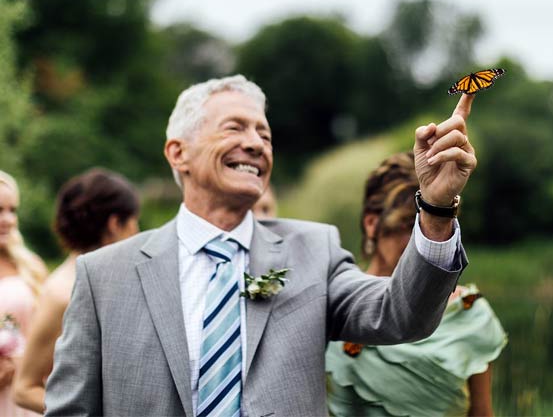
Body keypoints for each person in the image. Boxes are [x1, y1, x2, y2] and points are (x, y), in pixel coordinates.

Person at [45, 74, 477, 417]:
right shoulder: (103, 275)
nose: (255, 143)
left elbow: (402, 316)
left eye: (264, 135)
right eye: (234, 128)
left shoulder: (314, 249)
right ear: (178, 153)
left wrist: (436, 209)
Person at [326, 152, 507, 416]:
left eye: (436, 222)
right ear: (372, 224)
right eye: (409, 224)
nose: (422, 237)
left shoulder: (470, 316)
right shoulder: (333, 300)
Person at [13, 168, 140, 414]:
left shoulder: (117, 277)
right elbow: (24, 388)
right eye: (135, 222)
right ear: (115, 224)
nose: (137, 232)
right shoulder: (62, 291)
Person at [0, 171, 47, 417]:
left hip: (28, 396)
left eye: (12, 210)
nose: (8, 219)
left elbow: (53, 334)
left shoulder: (30, 266)